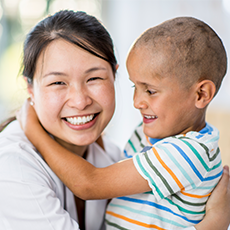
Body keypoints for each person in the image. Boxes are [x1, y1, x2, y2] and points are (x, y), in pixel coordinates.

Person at [17, 16, 229, 229]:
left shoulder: (189, 152)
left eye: (151, 91)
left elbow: (89, 184)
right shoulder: (150, 134)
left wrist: (33, 129)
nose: (137, 102)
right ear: (31, 89)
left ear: (201, 94)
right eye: (133, 87)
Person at [0, 10, 121, 230]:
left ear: (115, 75)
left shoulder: (112, 155)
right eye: (58, 83)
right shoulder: (11, 163)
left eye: (94, 78)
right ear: (31, 89)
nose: (80, 101)